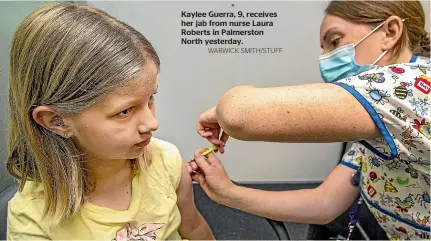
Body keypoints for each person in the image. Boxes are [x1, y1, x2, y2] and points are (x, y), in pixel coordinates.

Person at [188, 0, 430, 240]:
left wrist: (218, 112)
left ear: (390, 32)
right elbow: (325, 203)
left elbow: (237, 114)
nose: (325, 61)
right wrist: (228, 193)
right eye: (324, 49)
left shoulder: (411, 88)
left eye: (335, 42)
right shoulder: (378, 116)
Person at [6, 2, 214, 240]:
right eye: (125, 111)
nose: (152, 124)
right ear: (57, 121)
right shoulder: (31, 219)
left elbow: (194, 228)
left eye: (150, 99)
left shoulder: (166, 161)